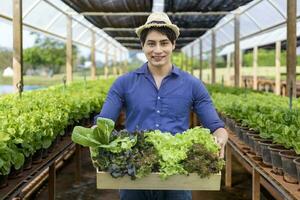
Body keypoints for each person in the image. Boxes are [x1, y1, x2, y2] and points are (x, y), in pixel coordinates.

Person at [94, 12, 228, 200]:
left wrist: (220, 138)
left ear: (173, 45)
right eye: (151, 43)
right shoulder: (123, 84)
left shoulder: (192, 84)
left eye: (164, 43)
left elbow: (216, 125)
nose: (158, 50)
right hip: (134, 174)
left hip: (178, 176)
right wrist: (95, 134)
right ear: (143, 46)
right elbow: (103, 122)